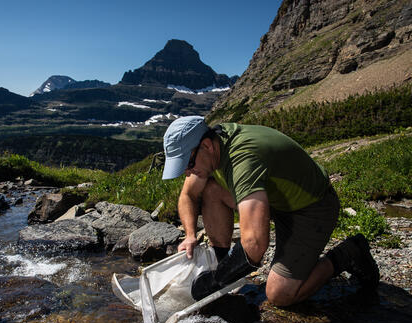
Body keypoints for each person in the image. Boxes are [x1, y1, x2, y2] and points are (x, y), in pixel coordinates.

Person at [162, 116, 379, 304]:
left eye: (188, 163)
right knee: (210, 190)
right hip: (273, 199)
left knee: (280, 295)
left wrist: (215, 280)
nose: (187, 172)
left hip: (311, 208)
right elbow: (188, 195)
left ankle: (349, 252)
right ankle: (224, 263)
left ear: (207, 146)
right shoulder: (212, 146)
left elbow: (255, 246)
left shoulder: (242, 161)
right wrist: (190, 235)